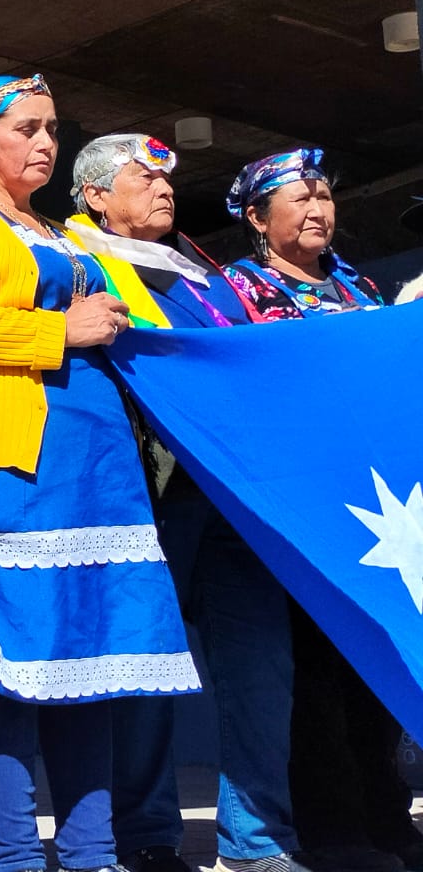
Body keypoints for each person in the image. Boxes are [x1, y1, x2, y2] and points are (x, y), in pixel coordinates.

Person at [0, 76, 199, 872]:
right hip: (8, 463)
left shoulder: (59, 231)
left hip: (95, 465)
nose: (46, 142)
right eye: (26, 128)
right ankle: (15, 857)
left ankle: (90, 855)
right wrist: (62, 326)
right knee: (8, 663)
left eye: (52, 128)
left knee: (90, 664)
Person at [64, 134, 302, 872]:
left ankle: (256, 842)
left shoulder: (202, 271)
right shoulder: (71, 260)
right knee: (146, 670)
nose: (165, 189)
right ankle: (148, 837)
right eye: (143, 178)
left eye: (168, 178)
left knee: (261, 669)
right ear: (96, 196)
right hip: (140, 492)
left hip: (231, 496)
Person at [222, 150, 419, 872]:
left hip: (370, 502)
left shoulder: (359, 286)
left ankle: (385, 816)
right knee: (316, 675)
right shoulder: (233, 291)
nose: (318, 209)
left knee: (376, 666)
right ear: (255, 217)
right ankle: (334, 829)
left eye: (326, 195)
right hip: (296, 509)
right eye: (299, 198)